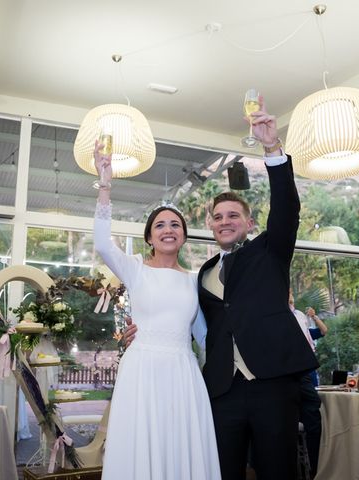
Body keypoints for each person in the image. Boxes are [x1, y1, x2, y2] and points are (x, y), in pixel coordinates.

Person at [127, 94, 317, 479]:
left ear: (248, 224)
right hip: (221, 390)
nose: (224, 221)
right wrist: (140, 329)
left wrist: (272, 149)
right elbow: (182, 318)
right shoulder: (202, 273)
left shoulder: (270, 251)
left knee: (277, 471)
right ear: (210, 227)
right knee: (221, 471)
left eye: (233, 215)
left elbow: (286, 209)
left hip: (272, 384)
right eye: (217, 217)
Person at [92, 141, 221, 479]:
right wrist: (105, 184)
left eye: (175, 225)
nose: (168, 229)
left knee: (181, 448)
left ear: (184, 236)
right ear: (149, 236)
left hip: (183, 372)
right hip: (142, 370)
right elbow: (103, 243)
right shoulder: (135, 269)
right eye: (160, 225)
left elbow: (206, 338)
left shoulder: (196, 281)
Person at [289, 291, 327, 478]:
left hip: (307, 369)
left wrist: (314, 316)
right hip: (293, 372)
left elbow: (322, 331)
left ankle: (315, 466)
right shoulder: (281, 315)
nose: (290, 294)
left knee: (313, 414)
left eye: (290, 291)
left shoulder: (300, 316)